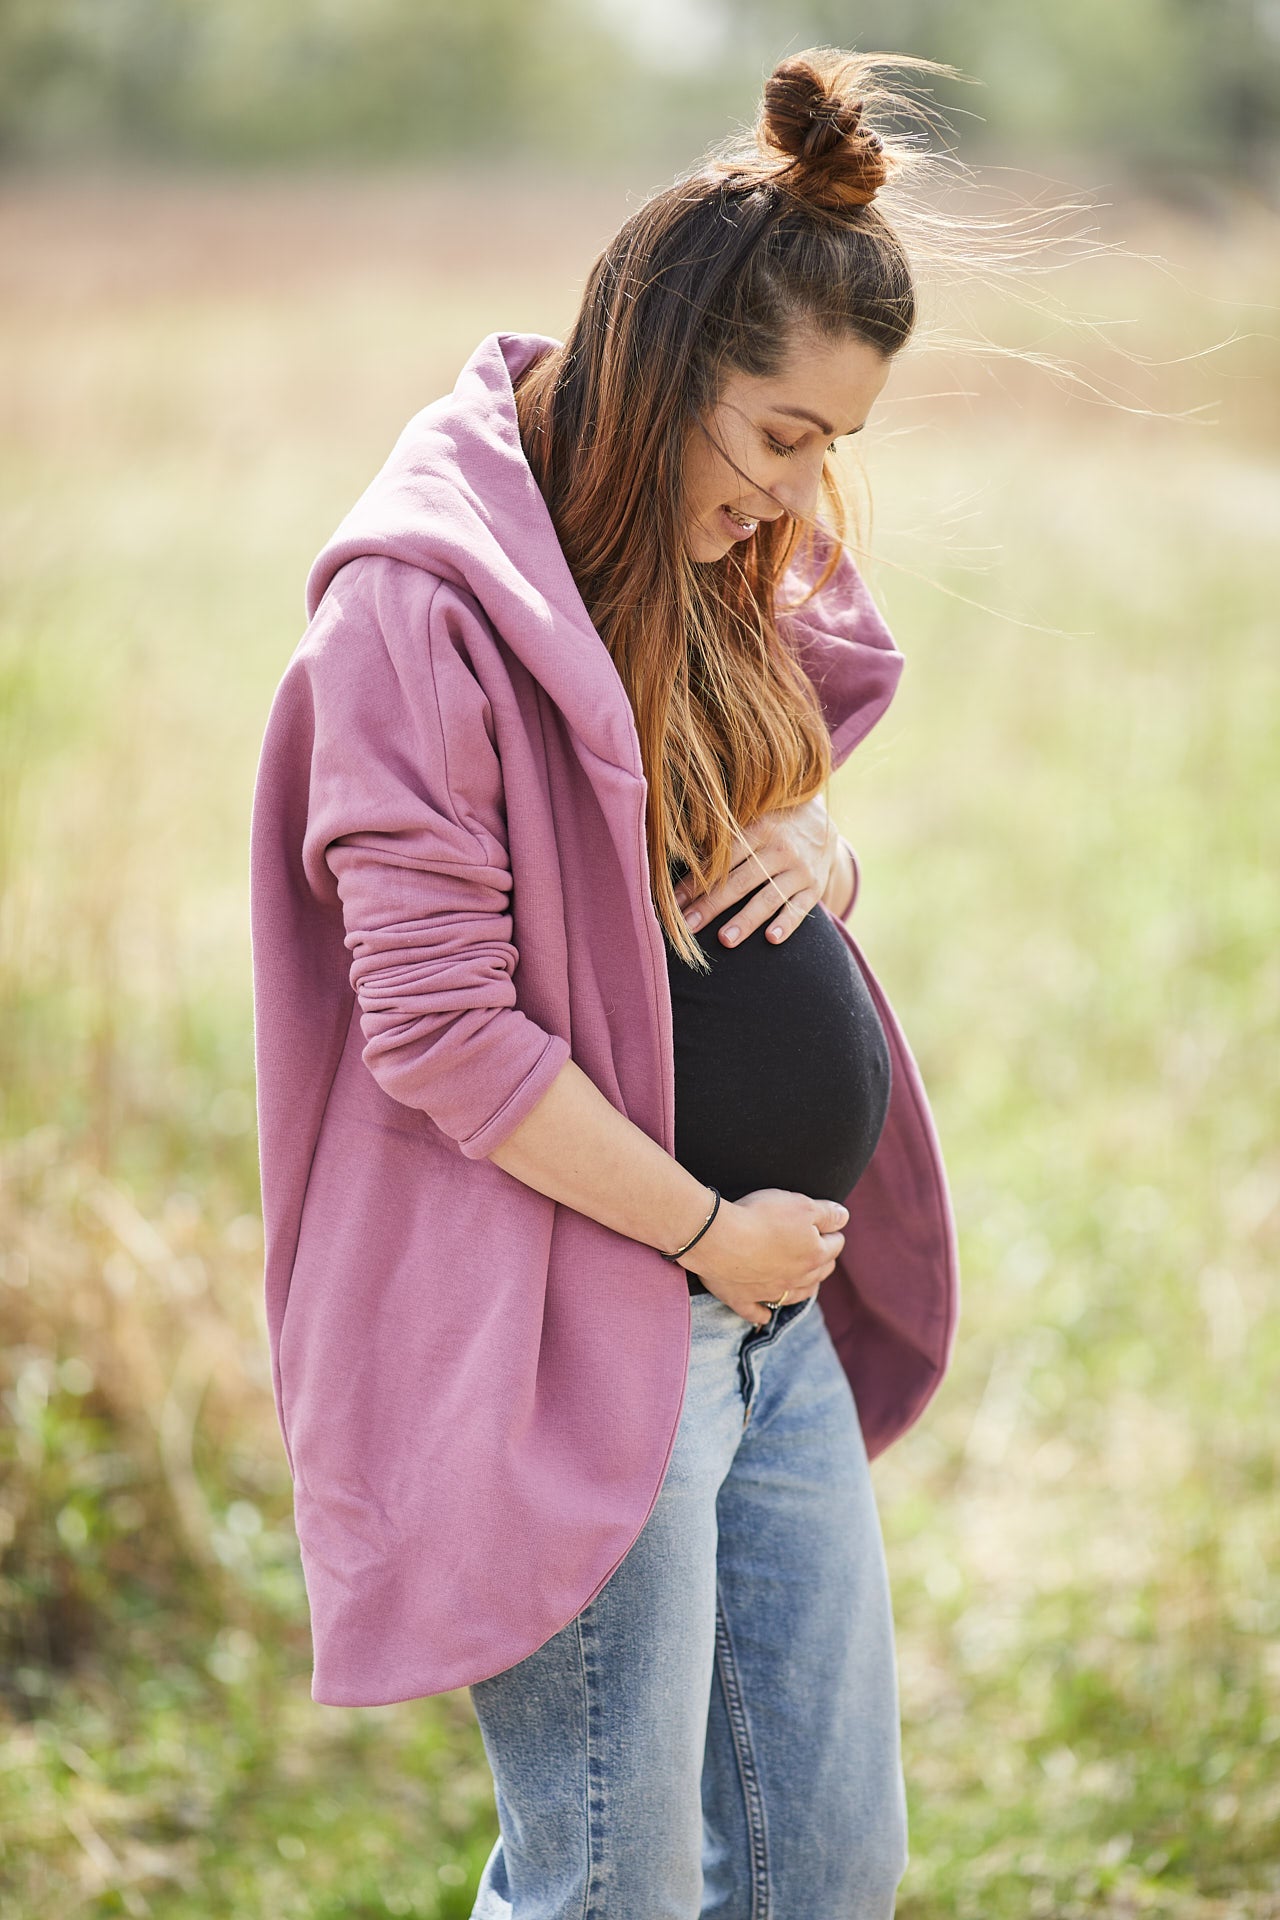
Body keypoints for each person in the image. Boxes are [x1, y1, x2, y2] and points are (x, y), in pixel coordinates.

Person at [250, 45, 961, 1920]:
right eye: (787, 435)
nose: (807, 495)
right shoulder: (415, 610)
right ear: (659, 371)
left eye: (837, 450)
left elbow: (774, 779)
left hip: (763, 1322)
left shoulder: (704, 560)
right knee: (604, 1889)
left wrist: (822, 840)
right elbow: (441, 1033)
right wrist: (706, 1229)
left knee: (827, 1869)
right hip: (580, 1330)